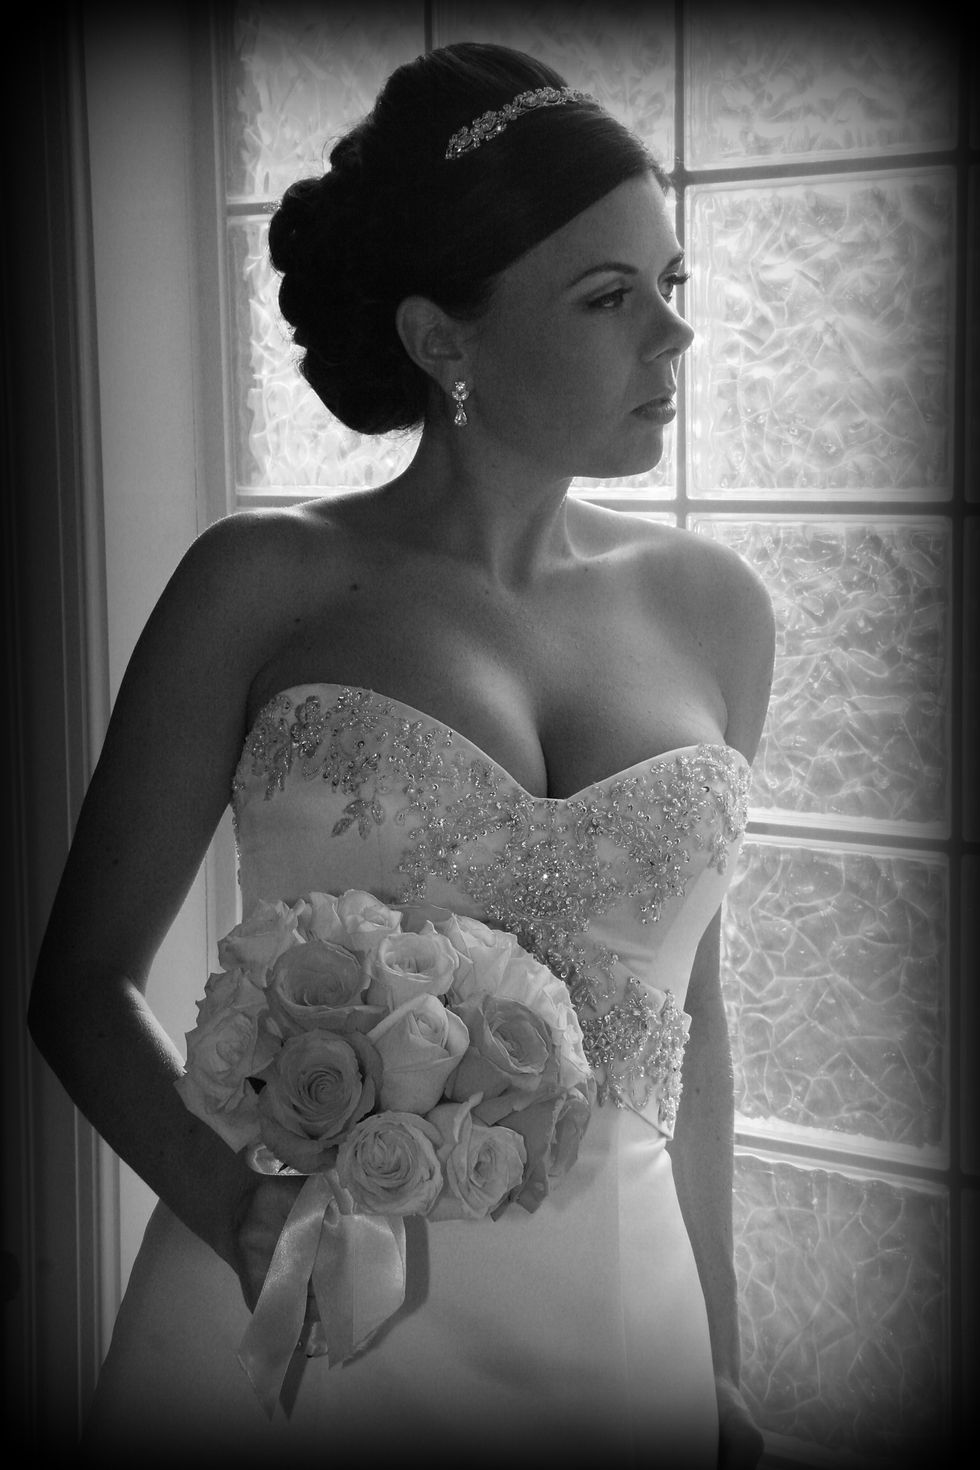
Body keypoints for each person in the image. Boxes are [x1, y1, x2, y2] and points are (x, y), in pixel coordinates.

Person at [29, 41, 773, 1469]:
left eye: (670, 283)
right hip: (312, 1324)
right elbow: (78, 986)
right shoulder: (260, 584)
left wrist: (722, 1366)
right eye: (610, 297)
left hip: (623, 1343)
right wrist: (240, 1212)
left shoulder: (719, 612)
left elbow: (695, 1021)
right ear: (443, 339)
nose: (674, 334)